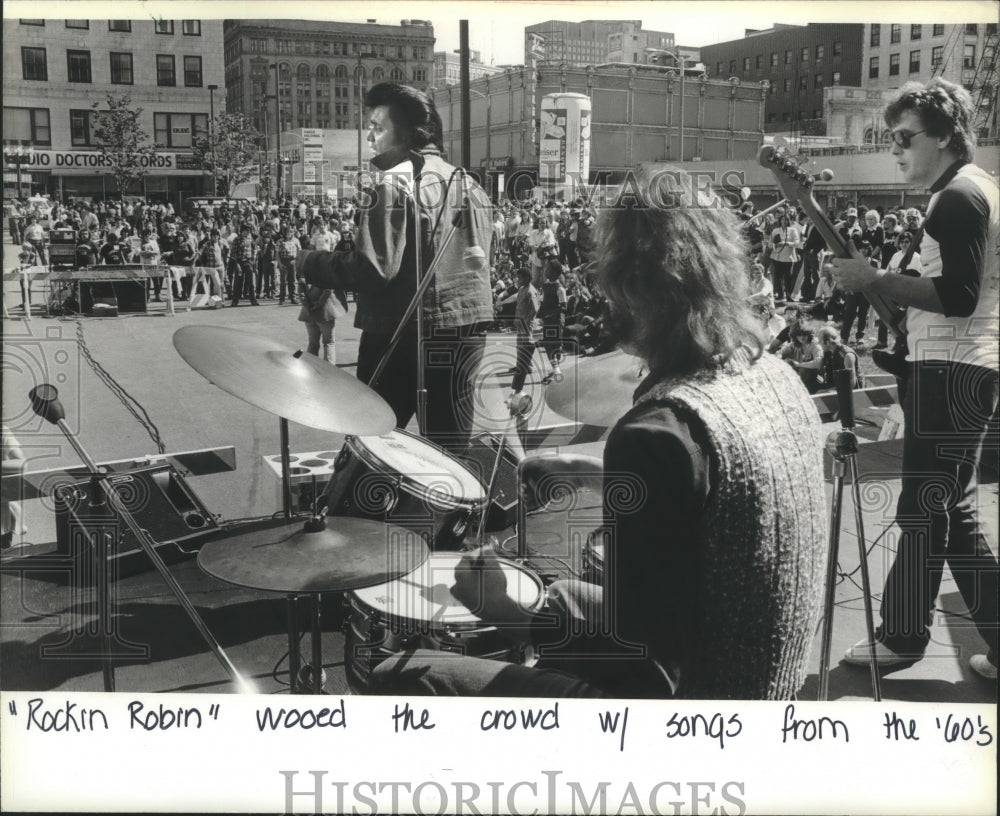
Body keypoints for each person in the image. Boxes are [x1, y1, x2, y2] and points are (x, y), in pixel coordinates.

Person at [367, 166, 828, 699]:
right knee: (565, 594)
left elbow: (644, 673)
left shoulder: (659, 431)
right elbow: (718, 495)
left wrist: (505, 609)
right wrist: (590, 472)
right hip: (768, 678)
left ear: (629, 286)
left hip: (694, 712)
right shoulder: (778, 376)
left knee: (401, 676)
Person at [830, 78, 998, 681]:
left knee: (927, 509)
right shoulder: (975, 189)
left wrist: (873, 278)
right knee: (949, 510)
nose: (895, 149)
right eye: (891, 138)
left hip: (951, 369)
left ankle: (901, 637)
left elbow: (957, 295)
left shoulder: (958, 197)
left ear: (946, 135)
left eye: (905, 137)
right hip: (962, 367)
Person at [296, 82, 494, 452]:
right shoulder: (470, 184)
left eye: (378, 126)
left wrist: (309, 261)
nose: (369, 136)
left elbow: (373, 269)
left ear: (407, 133)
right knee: (450, 452)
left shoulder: (395, 183)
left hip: (402, 332)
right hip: (465, 332)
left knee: (373, 446)